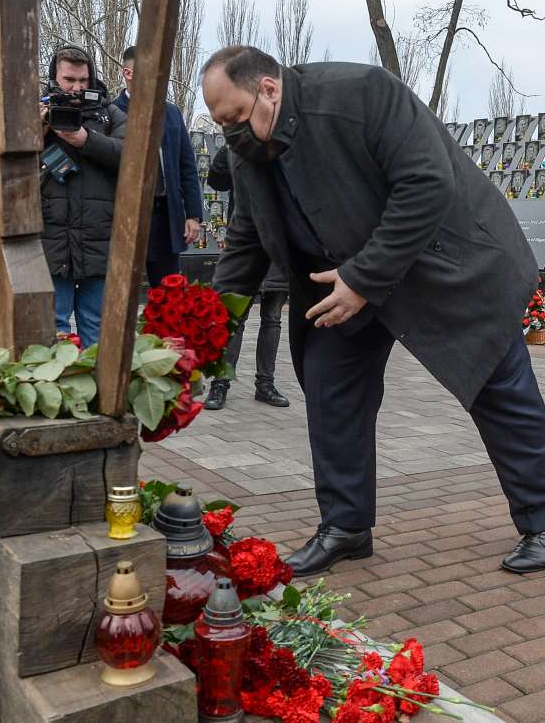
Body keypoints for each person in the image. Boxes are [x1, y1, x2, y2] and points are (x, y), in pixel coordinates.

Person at [201, 45, 545, 577]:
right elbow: (247, 240)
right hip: (338, 287)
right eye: (221, 124)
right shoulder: (249, 150)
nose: (232, 134)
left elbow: (427, 184)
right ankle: (346, 526)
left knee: (498, 389)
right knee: (330, 392)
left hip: (442, 268)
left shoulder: (361, 94)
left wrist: (363, 277)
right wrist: (207, 327)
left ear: (269, 89)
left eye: (237, 117)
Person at [40, 45, 126, 348]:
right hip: (53, 238)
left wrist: (86, 139)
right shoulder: (38, 110)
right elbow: (8, 160)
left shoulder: (110, 114)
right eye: (69, 80)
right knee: (54, 327)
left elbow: (132, 155)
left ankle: (97, 381)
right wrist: (35, 130)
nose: (76, 88)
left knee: (96, 327)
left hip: (98, 238)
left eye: (83, 80)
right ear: (54, 78)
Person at [204, 144, 290, 409]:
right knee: (235, 317)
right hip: (246, 241)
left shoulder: (288, 144)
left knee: (272, 318)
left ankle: (265, 383)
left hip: (278, 241)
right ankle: (220, 382)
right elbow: (217, 180)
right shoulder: (239, 144)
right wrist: (230, 147)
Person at [113, 46, 203, 285]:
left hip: (166, 216)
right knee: (122, 294)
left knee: (169, 293)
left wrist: (193, 215)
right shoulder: (112, 112)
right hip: (127, 219)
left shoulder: (171, 112)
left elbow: (187, 167)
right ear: (128, 73)